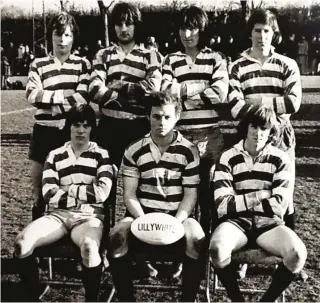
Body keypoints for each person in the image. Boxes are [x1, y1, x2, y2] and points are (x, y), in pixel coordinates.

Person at [107, 92, 205, 302]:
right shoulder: (134, 150)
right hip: (140, 215)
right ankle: (127, 298)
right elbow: (129, 195)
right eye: (156, 116)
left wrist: (174, 223)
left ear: (177, 116)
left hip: (177, 216)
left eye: (167, 117)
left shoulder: (189, 151)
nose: (161, 122)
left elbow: (190, 196)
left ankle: (187, 299)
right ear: (148, 117)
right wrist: (144, 220)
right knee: (116, 237)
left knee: (197, 240)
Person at [14, 104, 115, 302]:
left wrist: (69, 189)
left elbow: (101, 193)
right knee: (21, 244)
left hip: (88, 217)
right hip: (57, 216)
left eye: (86, 126)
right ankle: (33, 292)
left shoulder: (101, 155)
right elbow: (49, 194)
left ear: (92, 129)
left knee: (89, 248)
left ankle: (92, 299)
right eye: (76, 125)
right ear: (68, 127)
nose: (81, 130)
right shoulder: (55, 155)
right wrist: (83, 192)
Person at [209, 105, 307, 302]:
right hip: (236, 223)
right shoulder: (228, 157)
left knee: (297, 254)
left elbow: (279, 205)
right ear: (245, 127)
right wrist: (261, 195)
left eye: (264, 128)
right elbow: (222, 205)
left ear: (271, 132)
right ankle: (237, 300)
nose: (258, 133)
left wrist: (239, 200)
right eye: (254, 126)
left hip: (269, 224)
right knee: (217, 249)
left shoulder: (280, 159)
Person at [228, 9, 301, 230]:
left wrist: (256, 100)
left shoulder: (287, 64)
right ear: (250, 33)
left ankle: (286, 257)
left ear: (274, 33)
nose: (262, 36)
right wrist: (272, 104)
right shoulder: (237, 66)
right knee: (249, 190)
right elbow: (235, 108)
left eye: (266, 30)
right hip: (250, 135)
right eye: (257, 30)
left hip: (281, 136)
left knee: (283, 195)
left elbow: (293, 103)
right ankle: (243, 257)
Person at [162, 5, 229, 235]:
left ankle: (212, 254)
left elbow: (219, 94)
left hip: (210, 137)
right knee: (180, 197)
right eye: (183, 28)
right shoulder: (170, 60)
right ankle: (182, 255)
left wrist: (184, 94)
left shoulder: (215, 58)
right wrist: (202, 87)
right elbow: (167, 91)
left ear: (202, 30)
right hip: (180, 136)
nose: (187, 34)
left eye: (192, 29)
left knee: (211, 198)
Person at [26, 12, 91, 220]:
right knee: (38, 191)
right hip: (43, 131)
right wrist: (64, 97)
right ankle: (37, 239)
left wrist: (51, 101)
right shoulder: (38, 64)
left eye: (67, 35)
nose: (62, 39)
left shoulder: (82, 64)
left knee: (65, 186)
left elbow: (82, 98)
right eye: (58, 34)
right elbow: (32, 95)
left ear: (74, 37)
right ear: (50, 36)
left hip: (68, 132)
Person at [89, 2, 162, 169]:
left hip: (139, 126)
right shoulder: (103, 54)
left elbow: (153, 88)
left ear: (136, 25)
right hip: (109, 126)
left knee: (141, 181)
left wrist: (120, 86)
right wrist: (132, 96)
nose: (123, 29)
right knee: (105, 179)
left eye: (128, 24)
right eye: (119, 24)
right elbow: (94, 89)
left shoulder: (150, 55)